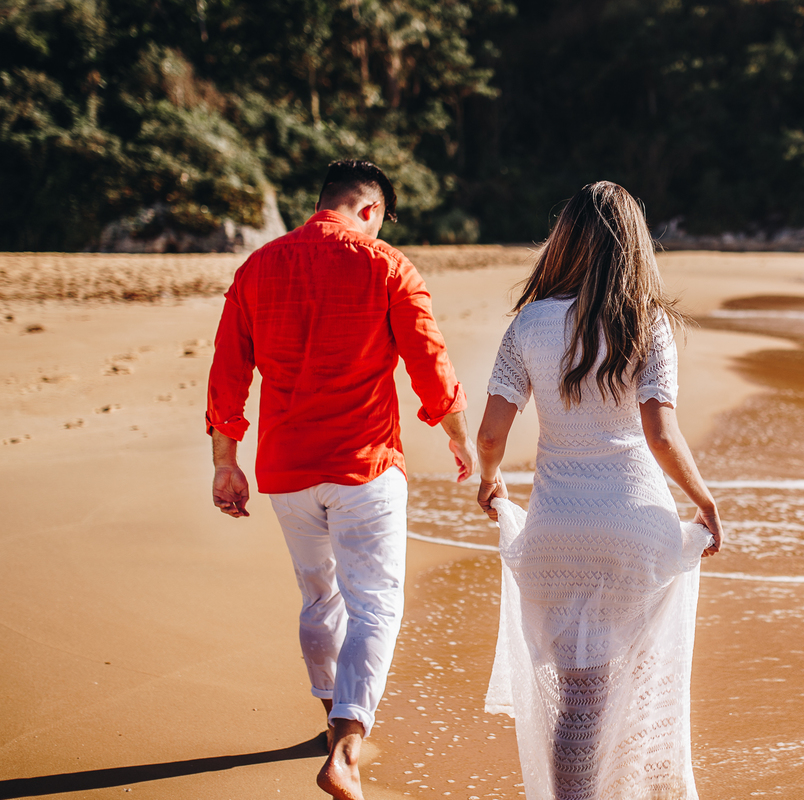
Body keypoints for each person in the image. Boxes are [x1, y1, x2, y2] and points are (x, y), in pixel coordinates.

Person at [206, 159, 478, 800]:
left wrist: (225, 461)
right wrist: (460, 435)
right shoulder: (387, 265)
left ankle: (328, 711)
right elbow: (428, 359)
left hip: (286, 470)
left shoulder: (257, 267)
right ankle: (347, 749)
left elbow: (228, 371)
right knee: (376, 604)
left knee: (319, 596)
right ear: (372, 210)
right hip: (365, 467)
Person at [475, 181, 723, 800]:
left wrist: (489, 482)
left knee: (579, 702)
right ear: (635, 245)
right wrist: (706, 502)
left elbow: (489, 435)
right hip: (633, 529)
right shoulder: (646, 321)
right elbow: (661, 433)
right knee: (620, 693)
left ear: (565, 241)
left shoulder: (529, 323)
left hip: (554, 533)